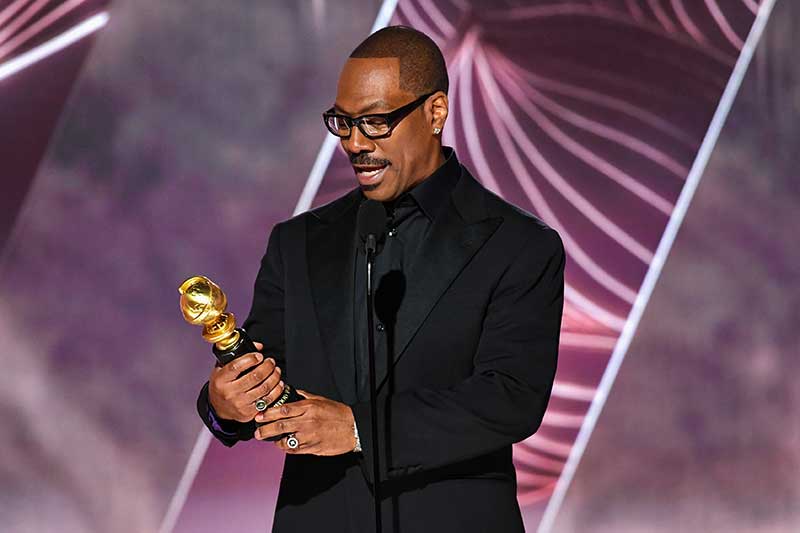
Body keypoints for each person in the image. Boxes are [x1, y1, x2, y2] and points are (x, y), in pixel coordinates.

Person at [196, 25, 565, 532]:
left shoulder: (518, 245)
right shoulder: (298, 243)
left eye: (374, 122)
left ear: (435, 112)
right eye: (342, 123)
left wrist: (357, 429)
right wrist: (225, 404)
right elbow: (264, 378)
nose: (354, 143)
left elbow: (510, 397)